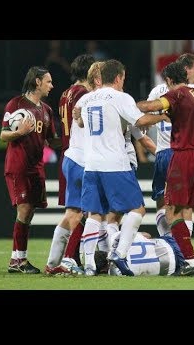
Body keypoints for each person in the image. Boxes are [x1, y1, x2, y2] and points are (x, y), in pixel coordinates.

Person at [77, 59, 168, 276]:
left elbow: (79, 121)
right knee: (137, 209)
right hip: (115, 164)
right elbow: (140, 121)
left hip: (91, 164)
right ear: (118, 77)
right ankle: (119, 253)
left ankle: (89, 264)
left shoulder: (86, 98)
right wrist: (164, 115)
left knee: (95, 214)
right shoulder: (120, 97)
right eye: (123, 78)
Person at [137, 61, 194, 276]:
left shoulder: (177, 93)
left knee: (172, 210)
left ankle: (189, 261)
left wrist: (130, 104)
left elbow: (149, 107)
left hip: (183, 155)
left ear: (170, 81)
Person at [1, 66, 60, 274]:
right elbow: (4, 135)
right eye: (48, 81)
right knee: (24, 209)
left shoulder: (46, 110)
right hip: (19, 166)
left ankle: (18, 259)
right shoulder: (15, 104)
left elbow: (52, 142)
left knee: (29, 212)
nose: (52, 86)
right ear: (37, 82)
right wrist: (21, 131)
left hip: (36, 168)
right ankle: (18, 261)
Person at [44, 55, 95, 275]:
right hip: (81, 156)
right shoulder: (84, 94)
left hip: (67, 153)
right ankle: (68, 260)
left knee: (72, 211)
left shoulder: (65, 93)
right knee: (81, 212)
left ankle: (54, 261)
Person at [145, 53, 194, 237]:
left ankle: (168, 242)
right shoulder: (193, 92)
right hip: (184, 152)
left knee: (162, 201)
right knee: (185, 204)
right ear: (185, 70)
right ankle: (183, 252)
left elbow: (145, 121)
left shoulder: (156, 92)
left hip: (162, 153)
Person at [94, 231, 185, 276]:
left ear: (102, 271)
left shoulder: (116, 274)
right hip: (170, 244)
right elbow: (147, 235)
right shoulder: (115, 238)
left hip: (175, 266)